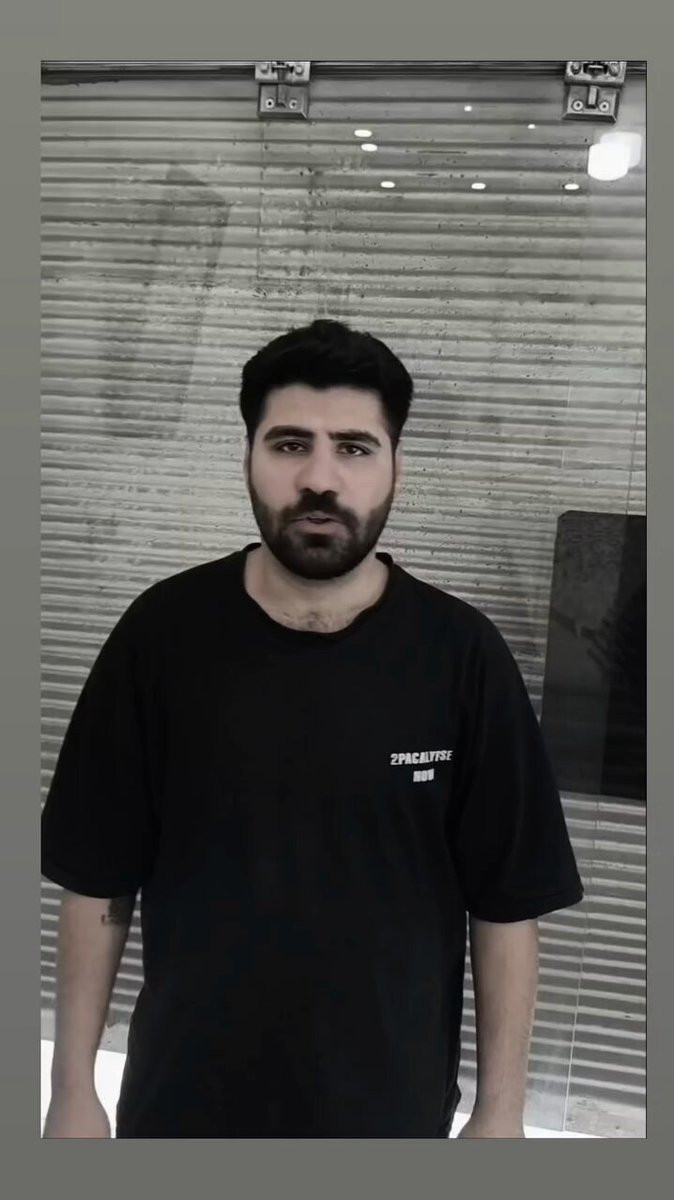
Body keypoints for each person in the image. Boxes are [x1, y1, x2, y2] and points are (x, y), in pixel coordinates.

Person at [41, 318, 584, 1139]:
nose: (320, 479)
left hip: (390, 1118)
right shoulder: (160, 636)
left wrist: (500, 1114)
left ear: (396, 466)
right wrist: (72, 1088)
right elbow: (98, 882)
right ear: (248, 456)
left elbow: (507, 908)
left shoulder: (462, 656)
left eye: (355, 448)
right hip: (181, 1108)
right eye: (290, 444)